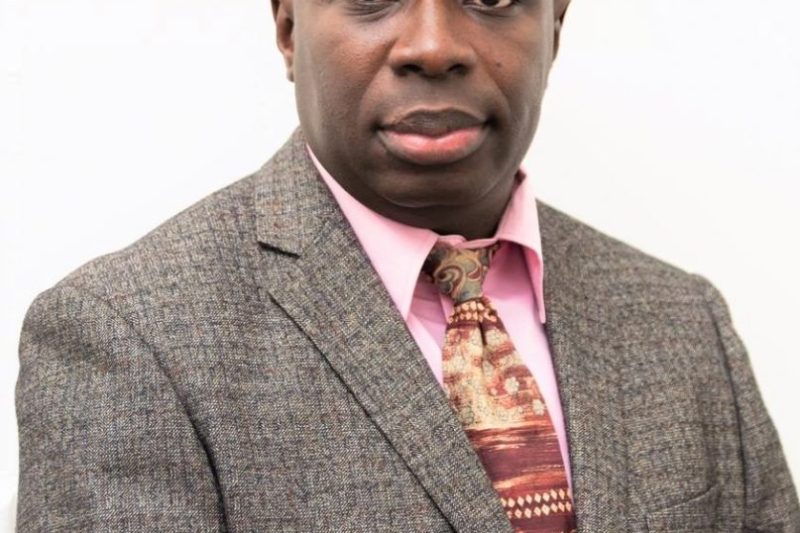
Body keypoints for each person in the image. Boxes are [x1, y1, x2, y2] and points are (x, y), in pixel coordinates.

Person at [15, 0, 799, 531]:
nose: (434, 45)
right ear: (288, 28)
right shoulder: (128, 341)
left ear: (555, 26)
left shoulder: (684, 321)